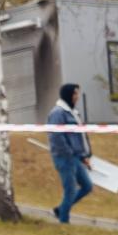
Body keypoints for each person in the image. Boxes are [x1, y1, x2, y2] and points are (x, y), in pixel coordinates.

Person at [47, 83, 94, 224]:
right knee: (70, 190)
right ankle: (64, 221)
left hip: (76, 157)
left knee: (87, 186)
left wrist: (83, 156)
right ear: (68, 95)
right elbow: (56, 137)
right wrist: (68, 153)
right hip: (65, 158)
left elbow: (79, 137)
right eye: (75, 93)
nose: (77, 97)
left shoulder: (73, 112)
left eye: (77, 93)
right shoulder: (58, 113)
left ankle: (61, 209)